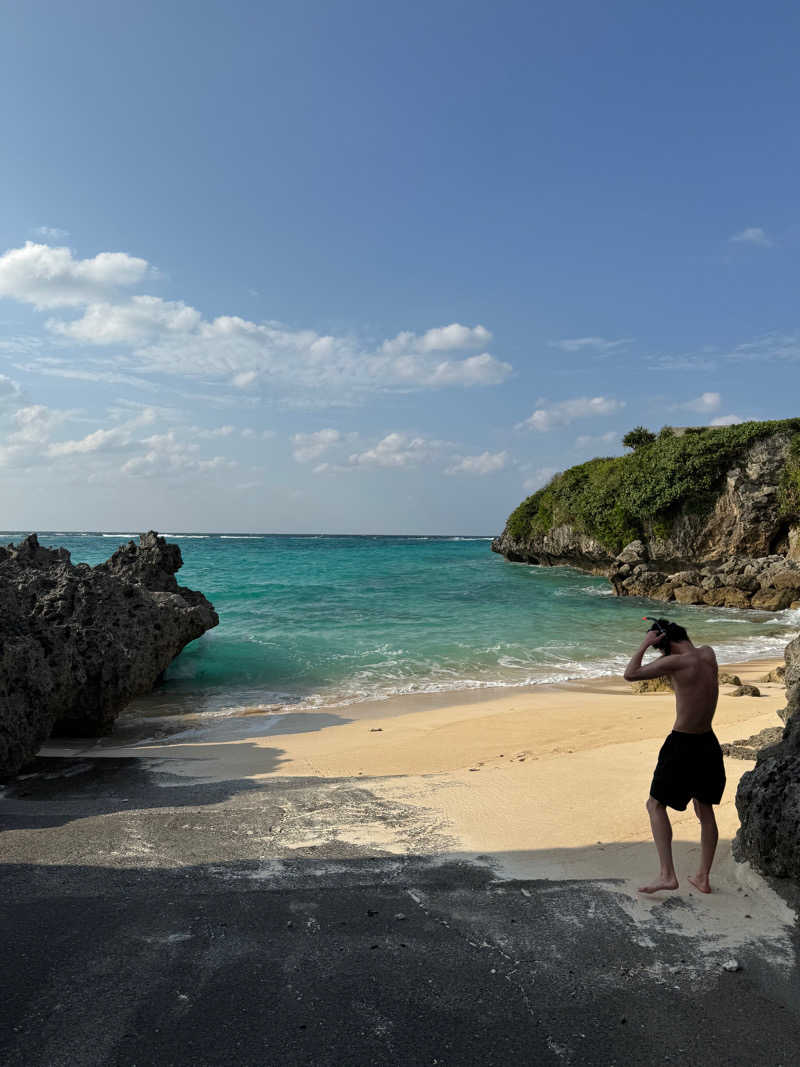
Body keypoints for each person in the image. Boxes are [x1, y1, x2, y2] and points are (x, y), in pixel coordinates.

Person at [623, 618, 725, 894]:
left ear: (664, 643)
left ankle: (667, 875)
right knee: (705, 810)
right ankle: (703, 877)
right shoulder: (708, 653)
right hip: (708, 742)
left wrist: (646, 644)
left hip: (682, 744)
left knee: (655, 805)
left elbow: (630, 674)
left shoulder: (676, 663)